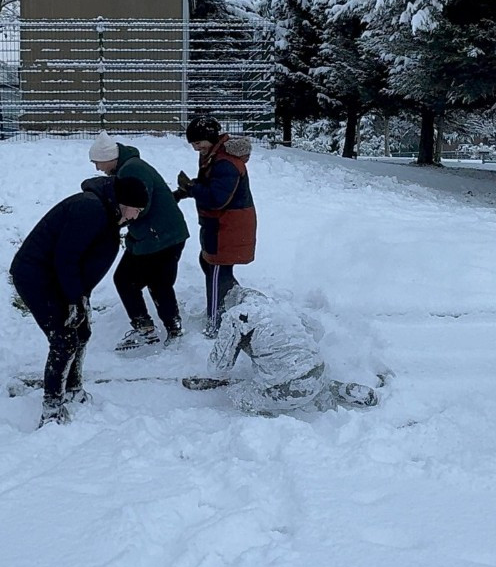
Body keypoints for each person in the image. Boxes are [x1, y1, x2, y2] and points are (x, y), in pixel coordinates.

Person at [10, 176, 123, 427]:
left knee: (81, 332)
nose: (136, 217)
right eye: (136, 210)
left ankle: (73, 390)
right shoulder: (90, 209)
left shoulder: (106, 215)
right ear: (124, 203)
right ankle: (52, 410)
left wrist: (80, 297)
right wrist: (73, 298)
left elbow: (84, 262)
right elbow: (66, 257)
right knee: (64, 339)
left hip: (57, 278)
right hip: (36, 276)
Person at [188, 285, 379, 415]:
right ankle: (339, 389)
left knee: (240, 396)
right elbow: (318, 331)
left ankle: (275, 415)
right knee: (310, 381)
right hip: (318, 371)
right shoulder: (280, 306)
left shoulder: (237, 316)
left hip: (285, 388)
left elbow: (218, 368)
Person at [88, 132, 191, 349]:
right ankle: (160, 327)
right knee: (140, 281)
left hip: (161, 237)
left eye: (97, 162)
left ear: (108, 157)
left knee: (142, 282)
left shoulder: (131, 170)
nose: (97, 168)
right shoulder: (128, 167)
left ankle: (160, 329)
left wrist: (115, 222)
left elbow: (138, 206)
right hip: (156, 235)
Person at [173, 115, 258, 339]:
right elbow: (210, 185)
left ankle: (215, 324)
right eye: (193, 144)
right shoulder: (213, 156)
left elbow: (217, 198)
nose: (195, 148)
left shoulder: (226, 162)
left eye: (198, 143)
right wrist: (185, 191)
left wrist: (191, 188)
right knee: (210, 264)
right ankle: (242, 305)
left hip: (229, 225)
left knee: (217, 270)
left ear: (210, 138)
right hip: (220, 224)